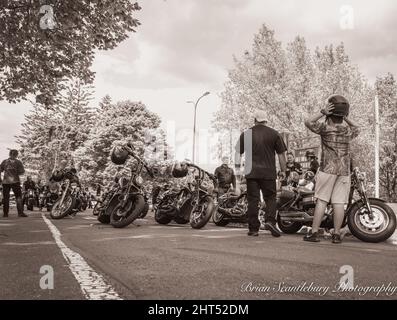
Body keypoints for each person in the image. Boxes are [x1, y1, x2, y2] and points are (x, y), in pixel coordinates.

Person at [303, 95, 359, 244]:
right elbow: (357, 128)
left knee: (322, 201)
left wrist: (323, 112)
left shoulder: (325, 128)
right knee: (339, 203)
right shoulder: (347, 131)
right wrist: (345, 117)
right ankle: (336, 235)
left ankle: (314, 233)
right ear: (344, 113)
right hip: (344, 171)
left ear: (330, 112)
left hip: (327, 169)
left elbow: (308, 121)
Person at [235, 110, 287, 237]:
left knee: (253, 200)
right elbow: (281, 155)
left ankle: (253, 229)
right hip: (268, 172)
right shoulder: (274, 134)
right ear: (266, 120)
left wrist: (237, 171)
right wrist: (284, 171)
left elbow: (238, 154)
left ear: (255, 120)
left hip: (251, 172)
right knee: (270, 198)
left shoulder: (246, 134)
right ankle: (270, 221)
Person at [0, 149, 27, 217]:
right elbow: (22, 172)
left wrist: (0, 179)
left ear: (9, 154)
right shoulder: (18, 162)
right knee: (18, 197)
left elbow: (0, 170)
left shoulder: (4, 162)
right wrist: (16, 172)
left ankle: (5, 214)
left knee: (6, 198)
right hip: (15, 181)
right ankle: (20, 213)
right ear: (16, 155)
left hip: (6, 182)